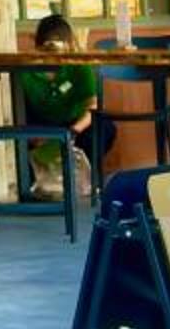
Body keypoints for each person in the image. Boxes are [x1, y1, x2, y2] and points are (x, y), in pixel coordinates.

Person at [13, 11, 110, 203]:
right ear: (37, 47)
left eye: (58, 48)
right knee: (21, 142)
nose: (53, 55)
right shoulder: (26, 72)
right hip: (41, 124)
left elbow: (92, 107)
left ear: (70, 46)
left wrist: (73, 131)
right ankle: (35, 185)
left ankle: (89, 181)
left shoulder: (79, 66)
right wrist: (33, 136)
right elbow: (18, 111)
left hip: (75, 124)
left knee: (104, 129)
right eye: (47, 48)